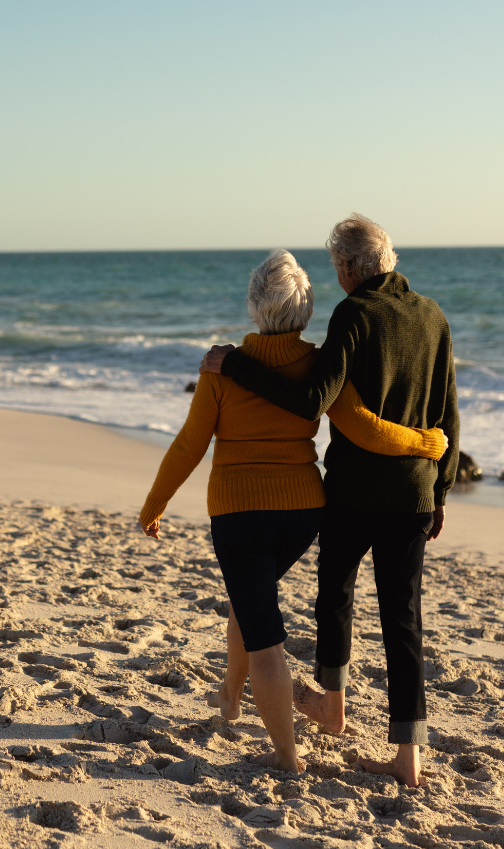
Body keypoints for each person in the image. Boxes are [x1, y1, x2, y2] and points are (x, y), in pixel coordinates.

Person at [140, 249, 446, 774]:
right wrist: (428, 444)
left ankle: (287, 756)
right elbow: (362, 426)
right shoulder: (320, 364)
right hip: (305, 513)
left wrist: (154, 504)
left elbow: (189, 444)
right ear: (305, 308)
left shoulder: (220, 368)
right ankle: (230, 698)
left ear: (256, 306)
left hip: (239, 514)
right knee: (249, 597)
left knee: (265, 638)